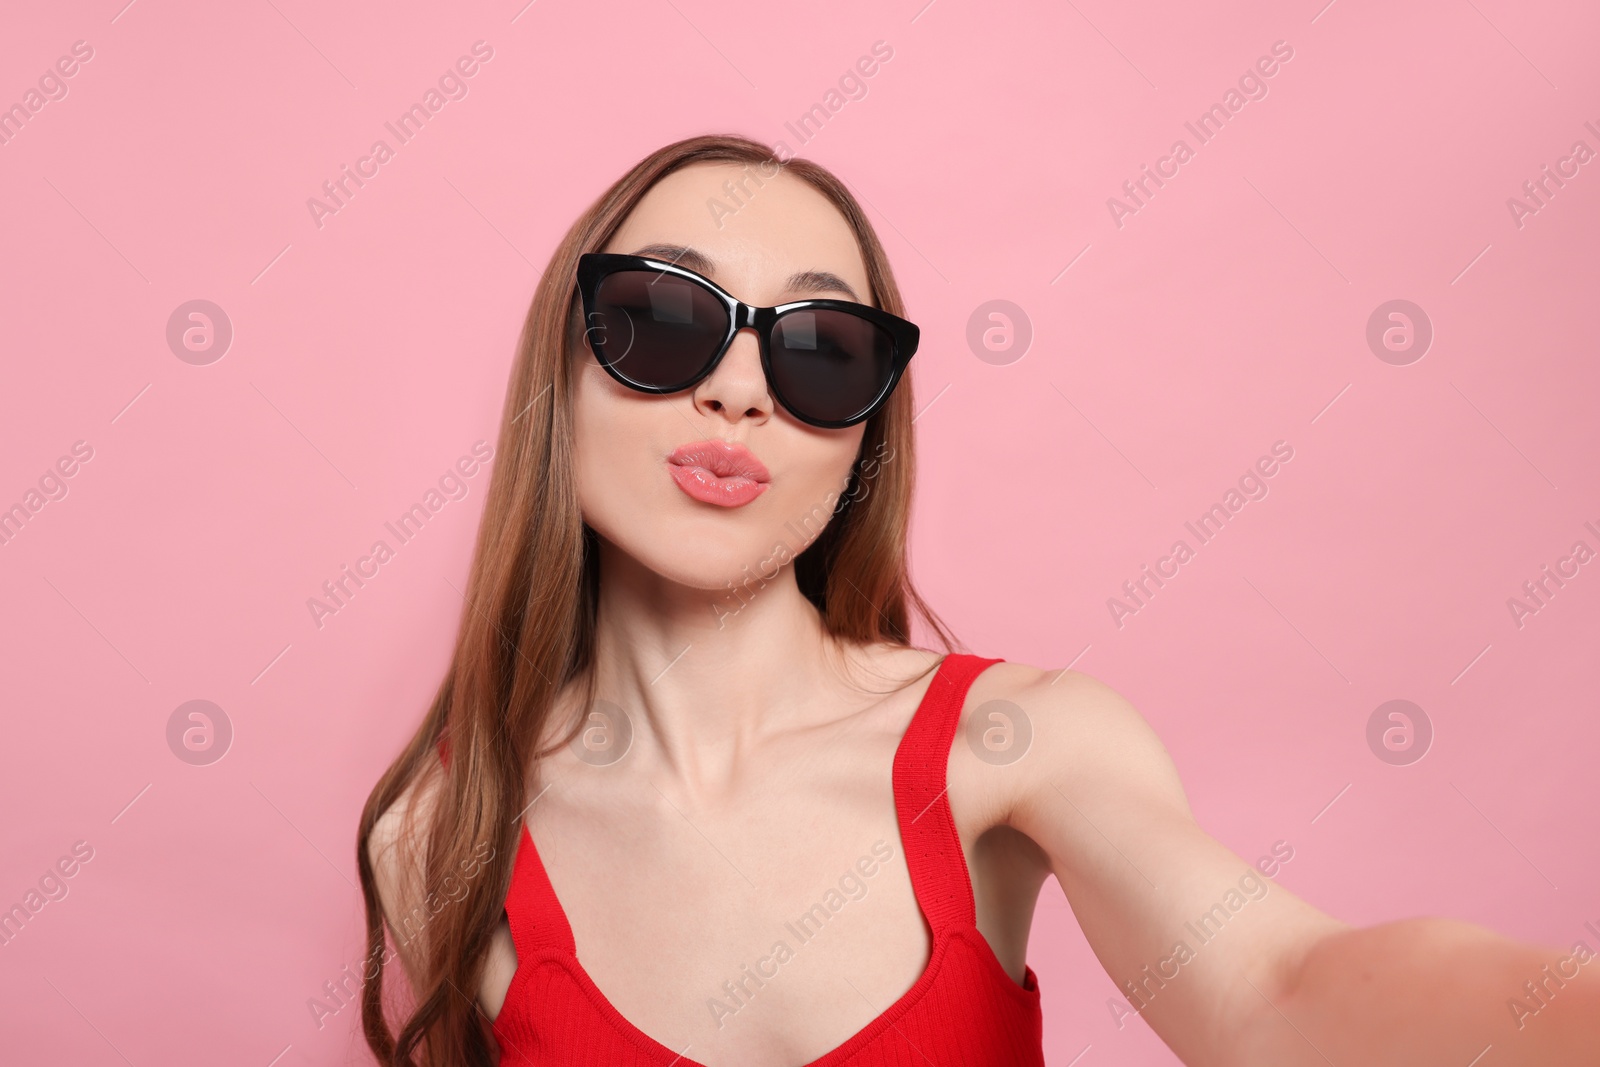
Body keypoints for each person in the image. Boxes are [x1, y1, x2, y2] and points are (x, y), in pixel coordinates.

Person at [357, 134, 1599, 1066]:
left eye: (818, 350)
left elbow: (1283, 983)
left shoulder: (1021, 744)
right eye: (661, 318)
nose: (739, 391)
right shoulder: (437, 832)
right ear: (558, 364)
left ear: (861, 440)